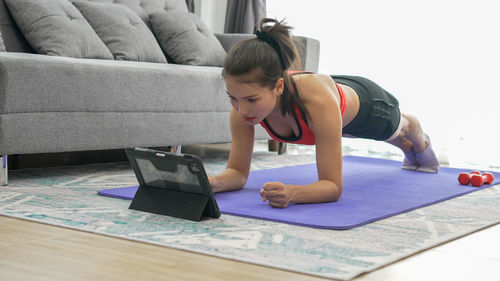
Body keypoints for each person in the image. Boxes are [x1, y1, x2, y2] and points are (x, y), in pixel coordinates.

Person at [208, 18, 439, 208]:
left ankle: (419, 140)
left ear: (278, 87)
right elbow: (237, 172)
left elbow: (332, 186)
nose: (242, 109)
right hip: (331, 101)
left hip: (369, 105)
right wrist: (213, 182)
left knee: (398, 129)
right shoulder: (242, 106)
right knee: (385, 138)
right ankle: (408, 149)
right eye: (233, 98)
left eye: (251, 99)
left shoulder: (316, 103)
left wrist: (293, 193)